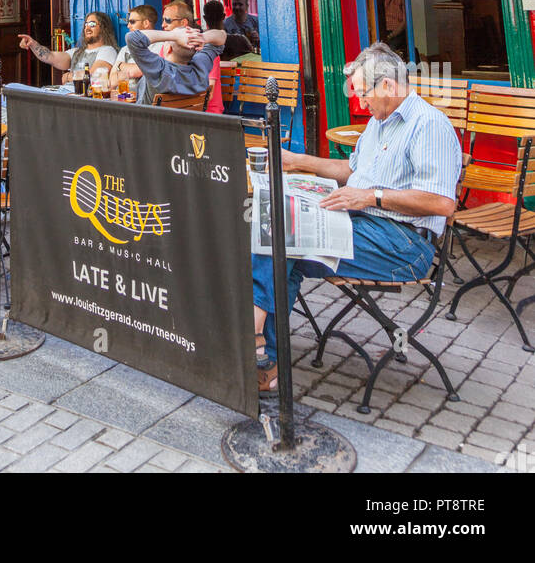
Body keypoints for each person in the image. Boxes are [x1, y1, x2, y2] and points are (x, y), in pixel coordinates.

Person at [250, 41, 462, 393]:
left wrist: (370, 196)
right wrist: (296, 161)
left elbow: (442, 204)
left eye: (364, 94)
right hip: (370, 227)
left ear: (389, 86)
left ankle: (256, 342)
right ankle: (265, 362)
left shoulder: (428, 125)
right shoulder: (380, 121)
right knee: (274, 228)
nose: (361, 102)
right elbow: (350, 170)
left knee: (283, 231)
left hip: (405, 246)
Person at [126, 21, 226, 106]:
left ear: (168, 49)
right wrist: (201, 37)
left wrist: (174, 36)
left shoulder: (159, 70)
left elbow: (132, 38)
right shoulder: (200, 67)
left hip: (150, 128)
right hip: (187, 128)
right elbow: (222, 36)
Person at [18, 12, 118, 89]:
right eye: (86, 24)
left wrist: (70, 76)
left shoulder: (107, 50)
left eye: (92, 24)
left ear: (103, 28)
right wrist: (33, 44)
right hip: (66, 92)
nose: (87, 27)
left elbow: (94, 75)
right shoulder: (76, 51)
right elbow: (50, 57)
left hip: (84, 96)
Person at [108, 5, 159, 94]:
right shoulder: (125, 49)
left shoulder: (160, 46)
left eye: (132, 22)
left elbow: (139, 71)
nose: (128, 26)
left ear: (146, 23)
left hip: (144, 102)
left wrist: (120, 66)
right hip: (122, 99)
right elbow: (112, 81)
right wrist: (132, 71)